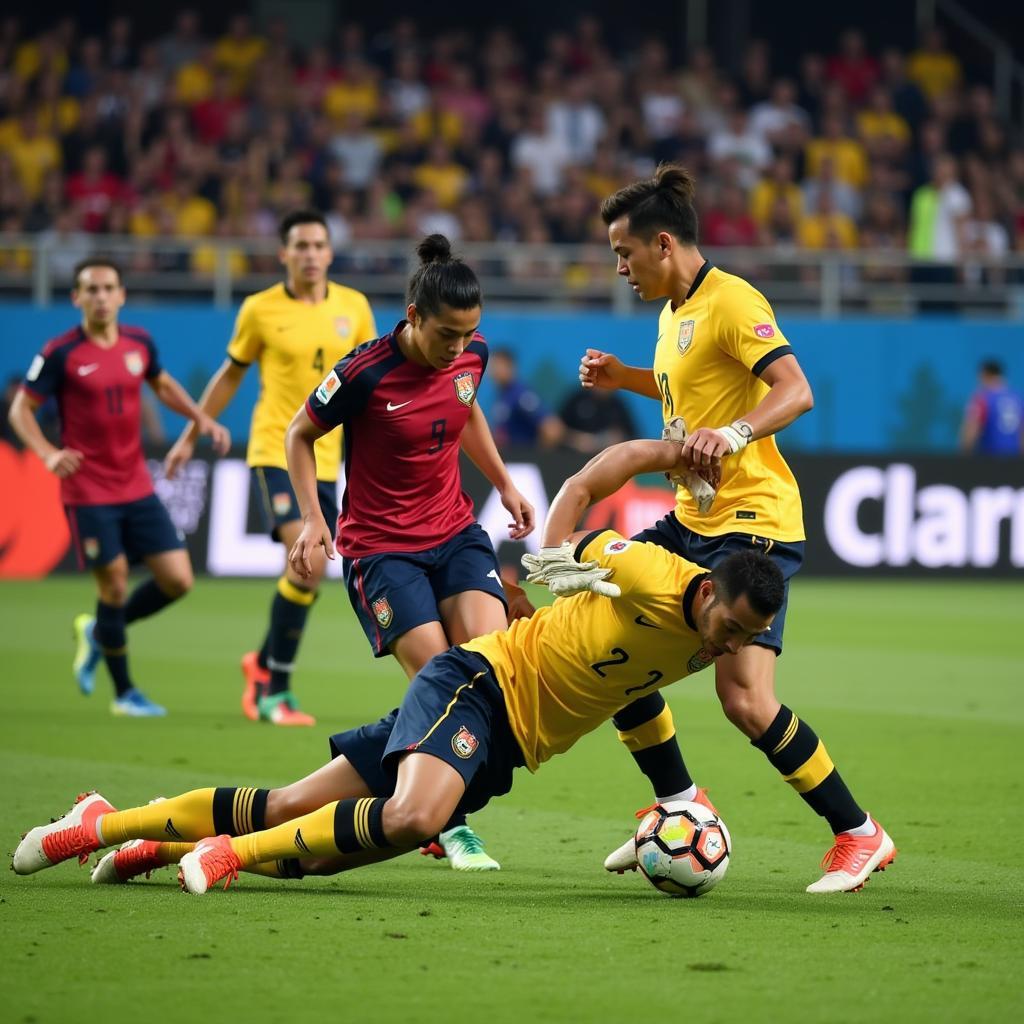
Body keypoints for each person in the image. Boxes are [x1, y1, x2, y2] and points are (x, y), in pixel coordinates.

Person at [12, 441, 802, 895]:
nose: (731, 648)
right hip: (481, 684)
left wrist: (673, 791)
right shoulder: (649, 571)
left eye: (748, 638)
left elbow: (636, 691)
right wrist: (555, 558)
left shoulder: (715, 638)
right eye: (730, 627)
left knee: (307, 839)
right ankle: (225, 856)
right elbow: (590, 484)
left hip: (511, 749)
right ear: (711, 593)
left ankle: (115, 825)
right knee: (416, 819)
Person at [575, 163, 895, 894]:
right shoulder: (669, 316)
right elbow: (683, 394)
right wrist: (624, 375)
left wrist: (738, 431)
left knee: (745, 699)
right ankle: (680, 803)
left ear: (663, 243)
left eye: (624, 254)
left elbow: (796, 390)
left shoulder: (731, 299)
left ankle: (859, 833)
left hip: (753, 523)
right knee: (605, 638)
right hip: (693, 519)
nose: (619, 268)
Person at [285, 233, 537, 870]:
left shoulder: (471, 356)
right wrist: (312, 520)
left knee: (487, 670)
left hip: (454, 534)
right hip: (382, 551)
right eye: (446, 334)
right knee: (439, 681)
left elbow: (466, 408)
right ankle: (446, 822)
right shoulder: (362, 373)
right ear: (414, 316)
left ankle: (407, 789)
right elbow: (298, 434)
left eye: (468, 334)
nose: (458, 348)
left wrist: (504, 485)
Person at [164, 209, 377, 727]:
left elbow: (372, 379)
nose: (309, 255)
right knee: (305, 559)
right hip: (275, 450)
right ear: (284, 254)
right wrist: (191, 434)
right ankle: (274, 690)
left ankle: (261, 666)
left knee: (307, 568)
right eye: (299, 246)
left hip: (328, 459)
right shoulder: (260, 310)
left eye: (317, 245)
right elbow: (229, 377)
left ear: (330, 253)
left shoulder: (355, 307)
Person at [6, 259, 230, 716]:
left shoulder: (138, 343)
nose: (101, 297)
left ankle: (98, 632)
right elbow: (20, 411)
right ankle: (125, 693)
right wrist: (48, 453)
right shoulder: (60, 352)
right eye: (91, 289)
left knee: (177, 579)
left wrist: (200, 419)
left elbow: (162, 383)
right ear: (77, 298)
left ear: (122, 295)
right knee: (114, 585)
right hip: (88, 490)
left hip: (136, 484)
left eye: (109, 288)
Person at [487, 347, 563, 449]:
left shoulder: (521, 395)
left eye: (498, 366)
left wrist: (540, 458)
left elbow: (552, 428)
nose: (494, 371)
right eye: (492, 367)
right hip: (508, 459)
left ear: (510, 366)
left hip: (522, 461)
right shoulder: (502, 395)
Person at [959, 360, 1023, 455]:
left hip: (990, 461)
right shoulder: (1018, 399)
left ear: (985, 375)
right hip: (1014, 461)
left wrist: (963, 455)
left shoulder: (982, 399)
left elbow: (971, 430)